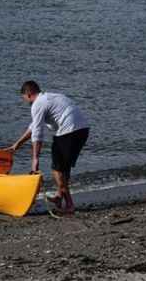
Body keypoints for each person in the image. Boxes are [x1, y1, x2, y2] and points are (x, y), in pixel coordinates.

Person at [9, 81, 90, 214]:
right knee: (64, 166)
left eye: (23, 98)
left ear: (28, 94)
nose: (24, 101)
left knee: (57, 169)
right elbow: (34, 126)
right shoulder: (51, 97)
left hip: (68, 131)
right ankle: (59, 196)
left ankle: (69, 205)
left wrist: (35, 158)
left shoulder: (37, 104)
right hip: (82, 130)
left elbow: (37, 133)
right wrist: (17, 145)